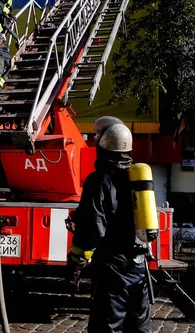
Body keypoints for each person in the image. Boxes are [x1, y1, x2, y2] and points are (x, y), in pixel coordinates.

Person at [66, 118, 152, 333]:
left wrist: (76, 261)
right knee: (138, 328)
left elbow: (92, 230)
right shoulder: (137, 179)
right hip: (139, 267)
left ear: (102, 146)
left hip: (113, 269)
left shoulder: (98, 181)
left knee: (106, 327)